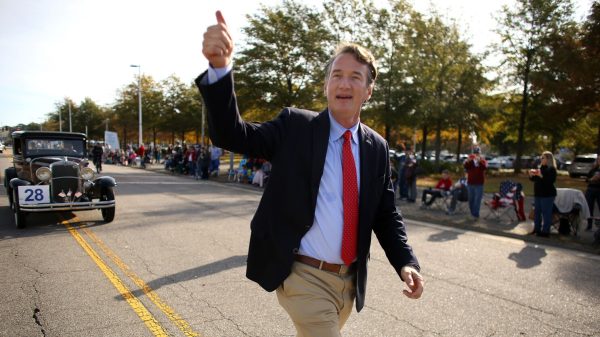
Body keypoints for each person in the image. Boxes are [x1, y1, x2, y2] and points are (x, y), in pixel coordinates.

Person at [199, 11, 423, 337]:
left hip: (347, 282)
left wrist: (407, 263)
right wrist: (220, 68)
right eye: (337, 74)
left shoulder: (376, 147)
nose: (344, 83)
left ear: (369, 90)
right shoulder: (296, 127)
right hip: (302, 275)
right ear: (326, 84)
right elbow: (233, 135)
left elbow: (386, 214)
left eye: (355, 77)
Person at [528, 151, 557, 237]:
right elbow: (534, 180)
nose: (541, 159)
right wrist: (531, 175)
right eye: (541, 157)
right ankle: (537, 229)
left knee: (546, 213)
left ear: (548, 159)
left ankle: (545, 231)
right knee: (537, 212)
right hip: (538, 194)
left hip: (547, 195)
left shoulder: (552, 169)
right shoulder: (540, 168)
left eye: (543, 158)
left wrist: (541, 176)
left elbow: (550, 182)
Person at [463, 146, 487, 219]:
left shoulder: (482, 161)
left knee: (477, 200)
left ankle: (475, 215)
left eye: (477, 153)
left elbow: (484, 167)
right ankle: (472, 213)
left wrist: (479, 161)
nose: (476, 155)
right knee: (471, 199)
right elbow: (466, 166)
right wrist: (467, 161)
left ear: (480, 154)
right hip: (470, 183)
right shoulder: (470, 161)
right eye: (475, 153)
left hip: (479, 184)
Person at [584, 156, 600, 231]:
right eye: (598, 159)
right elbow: (586, 180)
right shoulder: (593, 170)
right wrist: (592, 179)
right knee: (589, 207)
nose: (599, 161)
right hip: (591, 189)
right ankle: (589, 224)